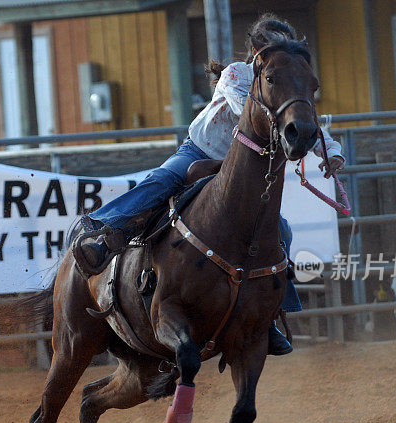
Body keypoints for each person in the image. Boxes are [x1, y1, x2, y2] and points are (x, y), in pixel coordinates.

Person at [77, 13, 345, 355]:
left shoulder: (285, 85)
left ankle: (271, 316)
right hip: (200, 153)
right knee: (163, 181)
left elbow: (300, 115)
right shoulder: (238, 75)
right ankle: (103, 231)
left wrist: (332, 150)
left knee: (279, 231)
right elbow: (259, 110)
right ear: (257, 52)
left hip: (246, 167)